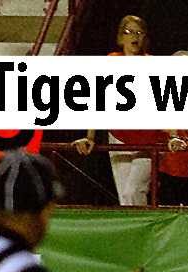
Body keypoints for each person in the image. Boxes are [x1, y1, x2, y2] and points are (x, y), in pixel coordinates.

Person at [71, 15, 154, 206]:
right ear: (120, 37)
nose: (135, 36)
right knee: (125, 196)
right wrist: (90, 137)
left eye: (139, 32)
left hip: (147, 139)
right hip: (118, 135)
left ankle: (143, 232)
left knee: (134, 192)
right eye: (129, 32)